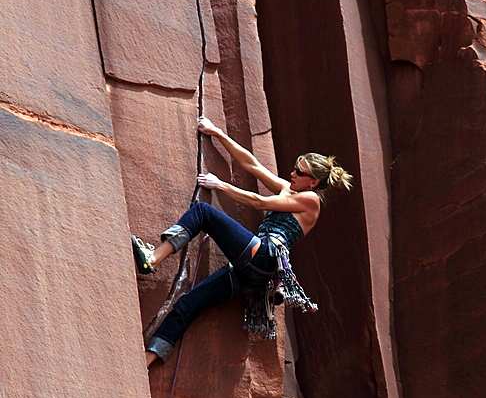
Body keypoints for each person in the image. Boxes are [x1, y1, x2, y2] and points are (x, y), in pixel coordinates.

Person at [131, 116, 353, 365]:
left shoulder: (311, 200)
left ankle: (152, 258)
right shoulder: (290, 190)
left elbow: (260, 202)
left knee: (203, 212)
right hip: (255, 274)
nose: (292, 173)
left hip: (265, 255)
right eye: (294, 168)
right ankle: (146, 362)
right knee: (190, 303)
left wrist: (220, 186)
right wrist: (217, 133)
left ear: (313, 182)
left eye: (299, 173)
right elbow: (253, 165)